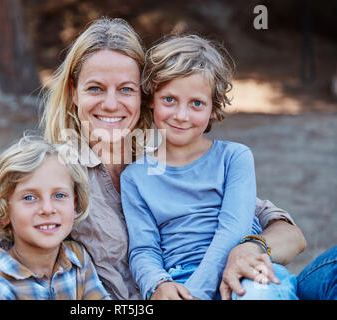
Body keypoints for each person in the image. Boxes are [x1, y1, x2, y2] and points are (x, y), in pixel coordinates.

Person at [0, 17, 306, 300]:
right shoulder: (54, 167)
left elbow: (286, 232)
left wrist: (250, 248)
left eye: (126, 90)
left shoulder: (169, 157)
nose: (111, 105)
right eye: (95, 89)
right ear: (73, 92)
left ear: (144, 96)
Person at [121, 35, 298, 300]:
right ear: (151, 99)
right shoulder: (134, 177)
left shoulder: (234, 158)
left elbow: (234, 229)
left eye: (197, 104)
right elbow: (143, 249)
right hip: (179, 279)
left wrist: (197, 294)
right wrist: (158, 283)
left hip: (244, 271)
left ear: (214, 108)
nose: (181, 115)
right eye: (169, 99)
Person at [0, 136, 110, 300]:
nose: (47, 209)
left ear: (74, 204)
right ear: (5, 210)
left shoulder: (78, 259)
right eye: (29, 198)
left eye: (59, 195)